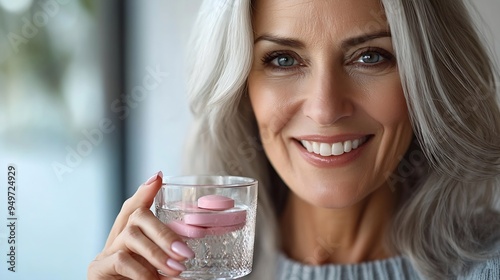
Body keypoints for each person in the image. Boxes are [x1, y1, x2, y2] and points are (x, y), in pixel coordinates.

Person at [88, 0, 500, 279]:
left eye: (370, 56)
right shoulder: (194, 272)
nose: (324, 108)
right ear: (240, 87)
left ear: (426, 78)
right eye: (283, 60)